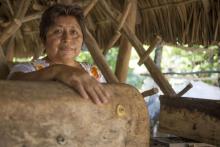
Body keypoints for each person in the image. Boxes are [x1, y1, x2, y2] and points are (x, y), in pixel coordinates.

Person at [8, 4, 110, 105]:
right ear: (44, 40)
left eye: (74, 32)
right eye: (58, 31)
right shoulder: (29, 69)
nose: (67, 39)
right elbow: (11, 85)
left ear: (82, 40)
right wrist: (57, 71)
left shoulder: (93, 73)